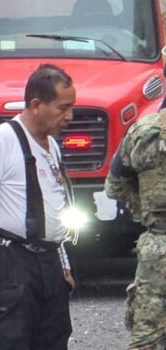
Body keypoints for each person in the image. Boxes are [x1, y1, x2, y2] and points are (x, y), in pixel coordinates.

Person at [0, 64, 76, 349]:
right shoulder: (1, 141)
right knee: (5, 340)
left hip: (48, 264)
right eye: (63, 108)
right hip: (12, 261)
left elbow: (54, 205)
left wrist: (62, 263)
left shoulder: (52, 145)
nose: (69, 116)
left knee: (53, 339)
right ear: (36, 105)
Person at [106, 106, 166, 349]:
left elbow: (115, 186)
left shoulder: (142, 130)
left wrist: (145, 210)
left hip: (157, 249)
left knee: (148, 338)